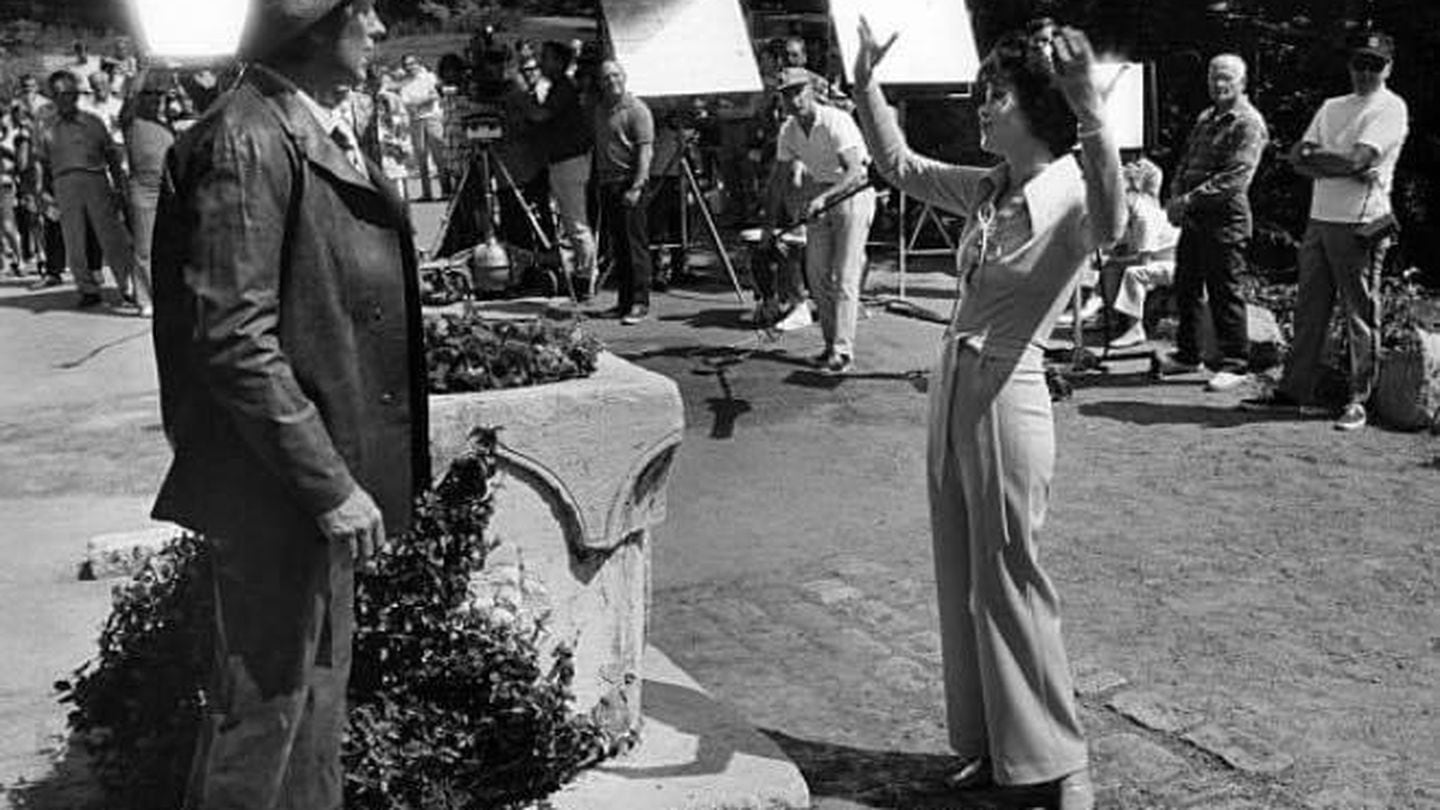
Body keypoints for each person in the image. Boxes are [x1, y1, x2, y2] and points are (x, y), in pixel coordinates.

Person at [151, 0, 429, 806]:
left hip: (304, 483)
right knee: (265, 717)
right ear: (311, 28)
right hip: (277, 488)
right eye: (363, 11)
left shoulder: (295, 123)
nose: (379, 28)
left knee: (312, 708)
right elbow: (235, 339)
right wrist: (328, 484)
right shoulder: (248, 137)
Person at [853, 17, 1124, 809]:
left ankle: (1065, 759)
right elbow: (898, 166)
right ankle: (996, 746)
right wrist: (866, 81)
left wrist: (1093, 114)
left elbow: (1110, 230)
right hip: (953, 387)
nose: (981, 106)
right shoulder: (986, 187)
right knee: (962, 578)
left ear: (1036, 105)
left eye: (994, 94)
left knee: (1012, 577)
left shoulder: (1074, 185)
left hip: (1010, 389)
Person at [1241, 32, 1409, 431]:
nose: (1365, 72)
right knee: (1309, 311)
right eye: (1360, 63)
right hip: (1321, 218)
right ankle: (1293, 392)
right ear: (1350, 65)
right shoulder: (1333, 106)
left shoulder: (1390, 108)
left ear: (1388, 67)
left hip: (1361, 222)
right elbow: (1298, 157)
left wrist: (1326, 160)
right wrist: (1334, 163)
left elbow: (1358, 159)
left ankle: (1357, 399)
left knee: (1360, 314)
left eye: (1375, 64)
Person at [1153, 53, 1268, 392]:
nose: (1219, 84)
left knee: (1224, 292)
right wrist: (1175, 196)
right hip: (1193, 219)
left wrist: (1187, 200)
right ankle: (1189, 355)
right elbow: (1186, 162)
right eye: (1214, 77)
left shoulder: (1248, 122)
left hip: (1225, 221)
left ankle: (1235, 363)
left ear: (1242, 83)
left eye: (1227, 78)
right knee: (1186, 287)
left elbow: (1235, 178)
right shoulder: (1206, 118)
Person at [769, 66, 875, 372]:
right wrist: (767, 227)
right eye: (787, 94)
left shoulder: (835, 120)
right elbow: (778, 179)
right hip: (823, 195)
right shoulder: (788, 130)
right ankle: (830, 345)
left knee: (844, 276)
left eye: (799, 91)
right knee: (816, 274)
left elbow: (855, 171)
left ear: (812, 90)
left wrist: (821, 199)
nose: (794, 99)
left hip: (854, 193)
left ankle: (842, 351)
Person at [36, 70, 134, 309]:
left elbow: (111, 154)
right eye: (59, 94)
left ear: (77, 95)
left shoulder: (93, 122)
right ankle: (87, 289)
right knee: (74, 238)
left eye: (69, 93)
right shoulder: (47, 127)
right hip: (63, 182)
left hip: (95, 178)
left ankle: (128, 286)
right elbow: (41, 162)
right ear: (52, 97)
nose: (65, 99)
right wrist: (41, 192)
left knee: (111, 236)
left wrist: (119, 187)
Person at [592, 59, 655, 325]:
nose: (612, 81)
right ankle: (624, 300)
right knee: (618, 245)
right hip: (608, 183)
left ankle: (640, 302)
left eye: (616, 75)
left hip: (629, 182)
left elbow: (645, 151)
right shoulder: (600, 110)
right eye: (606, 77)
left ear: (625, 77)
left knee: (635, 245)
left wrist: (637, 186)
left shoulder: (637, 110)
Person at [533, 40, 597, 300]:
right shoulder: (557, 87)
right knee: (570, 222)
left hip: (570, 160)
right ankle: (581, 269)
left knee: (576, 221)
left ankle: (587, 275)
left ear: (559, 62)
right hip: (560, 160)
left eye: (545, 58)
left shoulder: (564, 89)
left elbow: (542, 116)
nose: (540, 63)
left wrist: (518, 99)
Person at [1094, 156, 1180, 347]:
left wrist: (1112, 261)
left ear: (1131, 192)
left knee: (1134, 274)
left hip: (1178, 264)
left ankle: (1136, 329)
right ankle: (1111, 318)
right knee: (1111, 269)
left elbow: (1143, 261)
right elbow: (1120, 246)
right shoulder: (1130, 214)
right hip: (1159, 260)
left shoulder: (1144, 216)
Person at [397, 53, 450, 199]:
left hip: (432, 118)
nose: (410, 67)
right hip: (415, 121)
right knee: (421, 157)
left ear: (418, 63)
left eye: (412, 63)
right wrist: (423, 100)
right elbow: (407, 103)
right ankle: (427, 193)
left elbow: (435, 96)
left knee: (439, 156)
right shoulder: (405, 84)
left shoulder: (429, 77)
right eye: (407, 65)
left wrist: (418, 102)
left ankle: (446, 190)